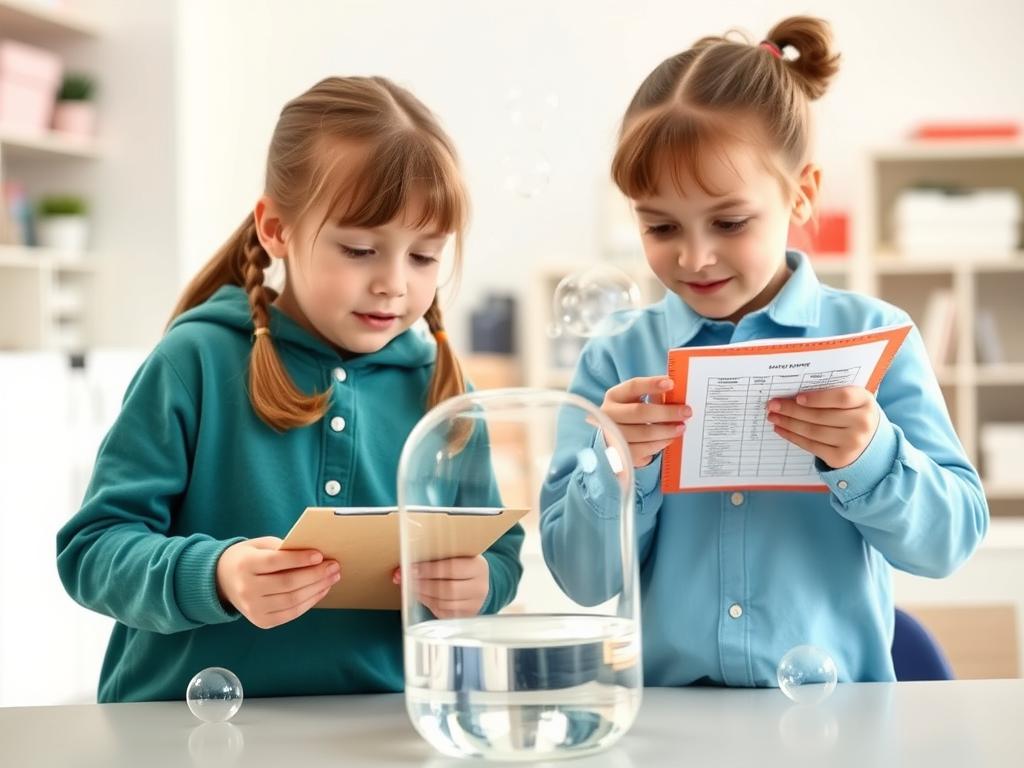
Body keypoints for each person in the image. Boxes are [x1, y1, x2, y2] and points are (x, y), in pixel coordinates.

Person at [540, 17, 987, 686]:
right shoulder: (617, 360)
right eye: (660, 225)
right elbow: (580, 578)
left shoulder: (871, 340)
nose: (693, 256)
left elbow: (948, 541)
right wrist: (616, 467)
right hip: (669, 725)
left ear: (802, 192)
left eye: (729, 221)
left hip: (840, 723)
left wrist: (870, 457)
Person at [57, 76, 524, 702]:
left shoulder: (442, 387)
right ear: (276, 229)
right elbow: (92, 552)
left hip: (379, 735)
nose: (393, 283)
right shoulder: (194, 361)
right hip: (180, 734)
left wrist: (482, 584)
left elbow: (500, 549)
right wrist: (216, 575)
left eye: (424, 256)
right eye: (360, 249)